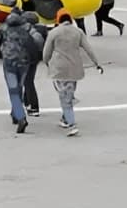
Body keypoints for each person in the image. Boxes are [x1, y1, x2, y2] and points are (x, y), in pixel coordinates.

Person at [43, 8, 103, 137]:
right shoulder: (78, 32)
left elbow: (46, 52)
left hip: (59, 69)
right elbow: (89, 49)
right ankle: (66, 117)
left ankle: (71, 123)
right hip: (75, 68)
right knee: (68, 93)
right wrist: (96, 63)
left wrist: (47, 62)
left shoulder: (54, 32)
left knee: (63, 96)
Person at [0, 8, 37, 132]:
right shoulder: (27, 27)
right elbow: (38, 41)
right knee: (19, 87)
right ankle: (15, 111)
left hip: (9, 62)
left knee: (13, 90)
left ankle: (21, 117)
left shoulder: (3, 28)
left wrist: (2, 55)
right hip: (24, 62)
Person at [21, 11, 48, 116]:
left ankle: (34, 106)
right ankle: (26, 101)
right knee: (28, 80)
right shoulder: (42, 29)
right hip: (36, 58)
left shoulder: (26, 30)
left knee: (28, 82)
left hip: (25, 58)